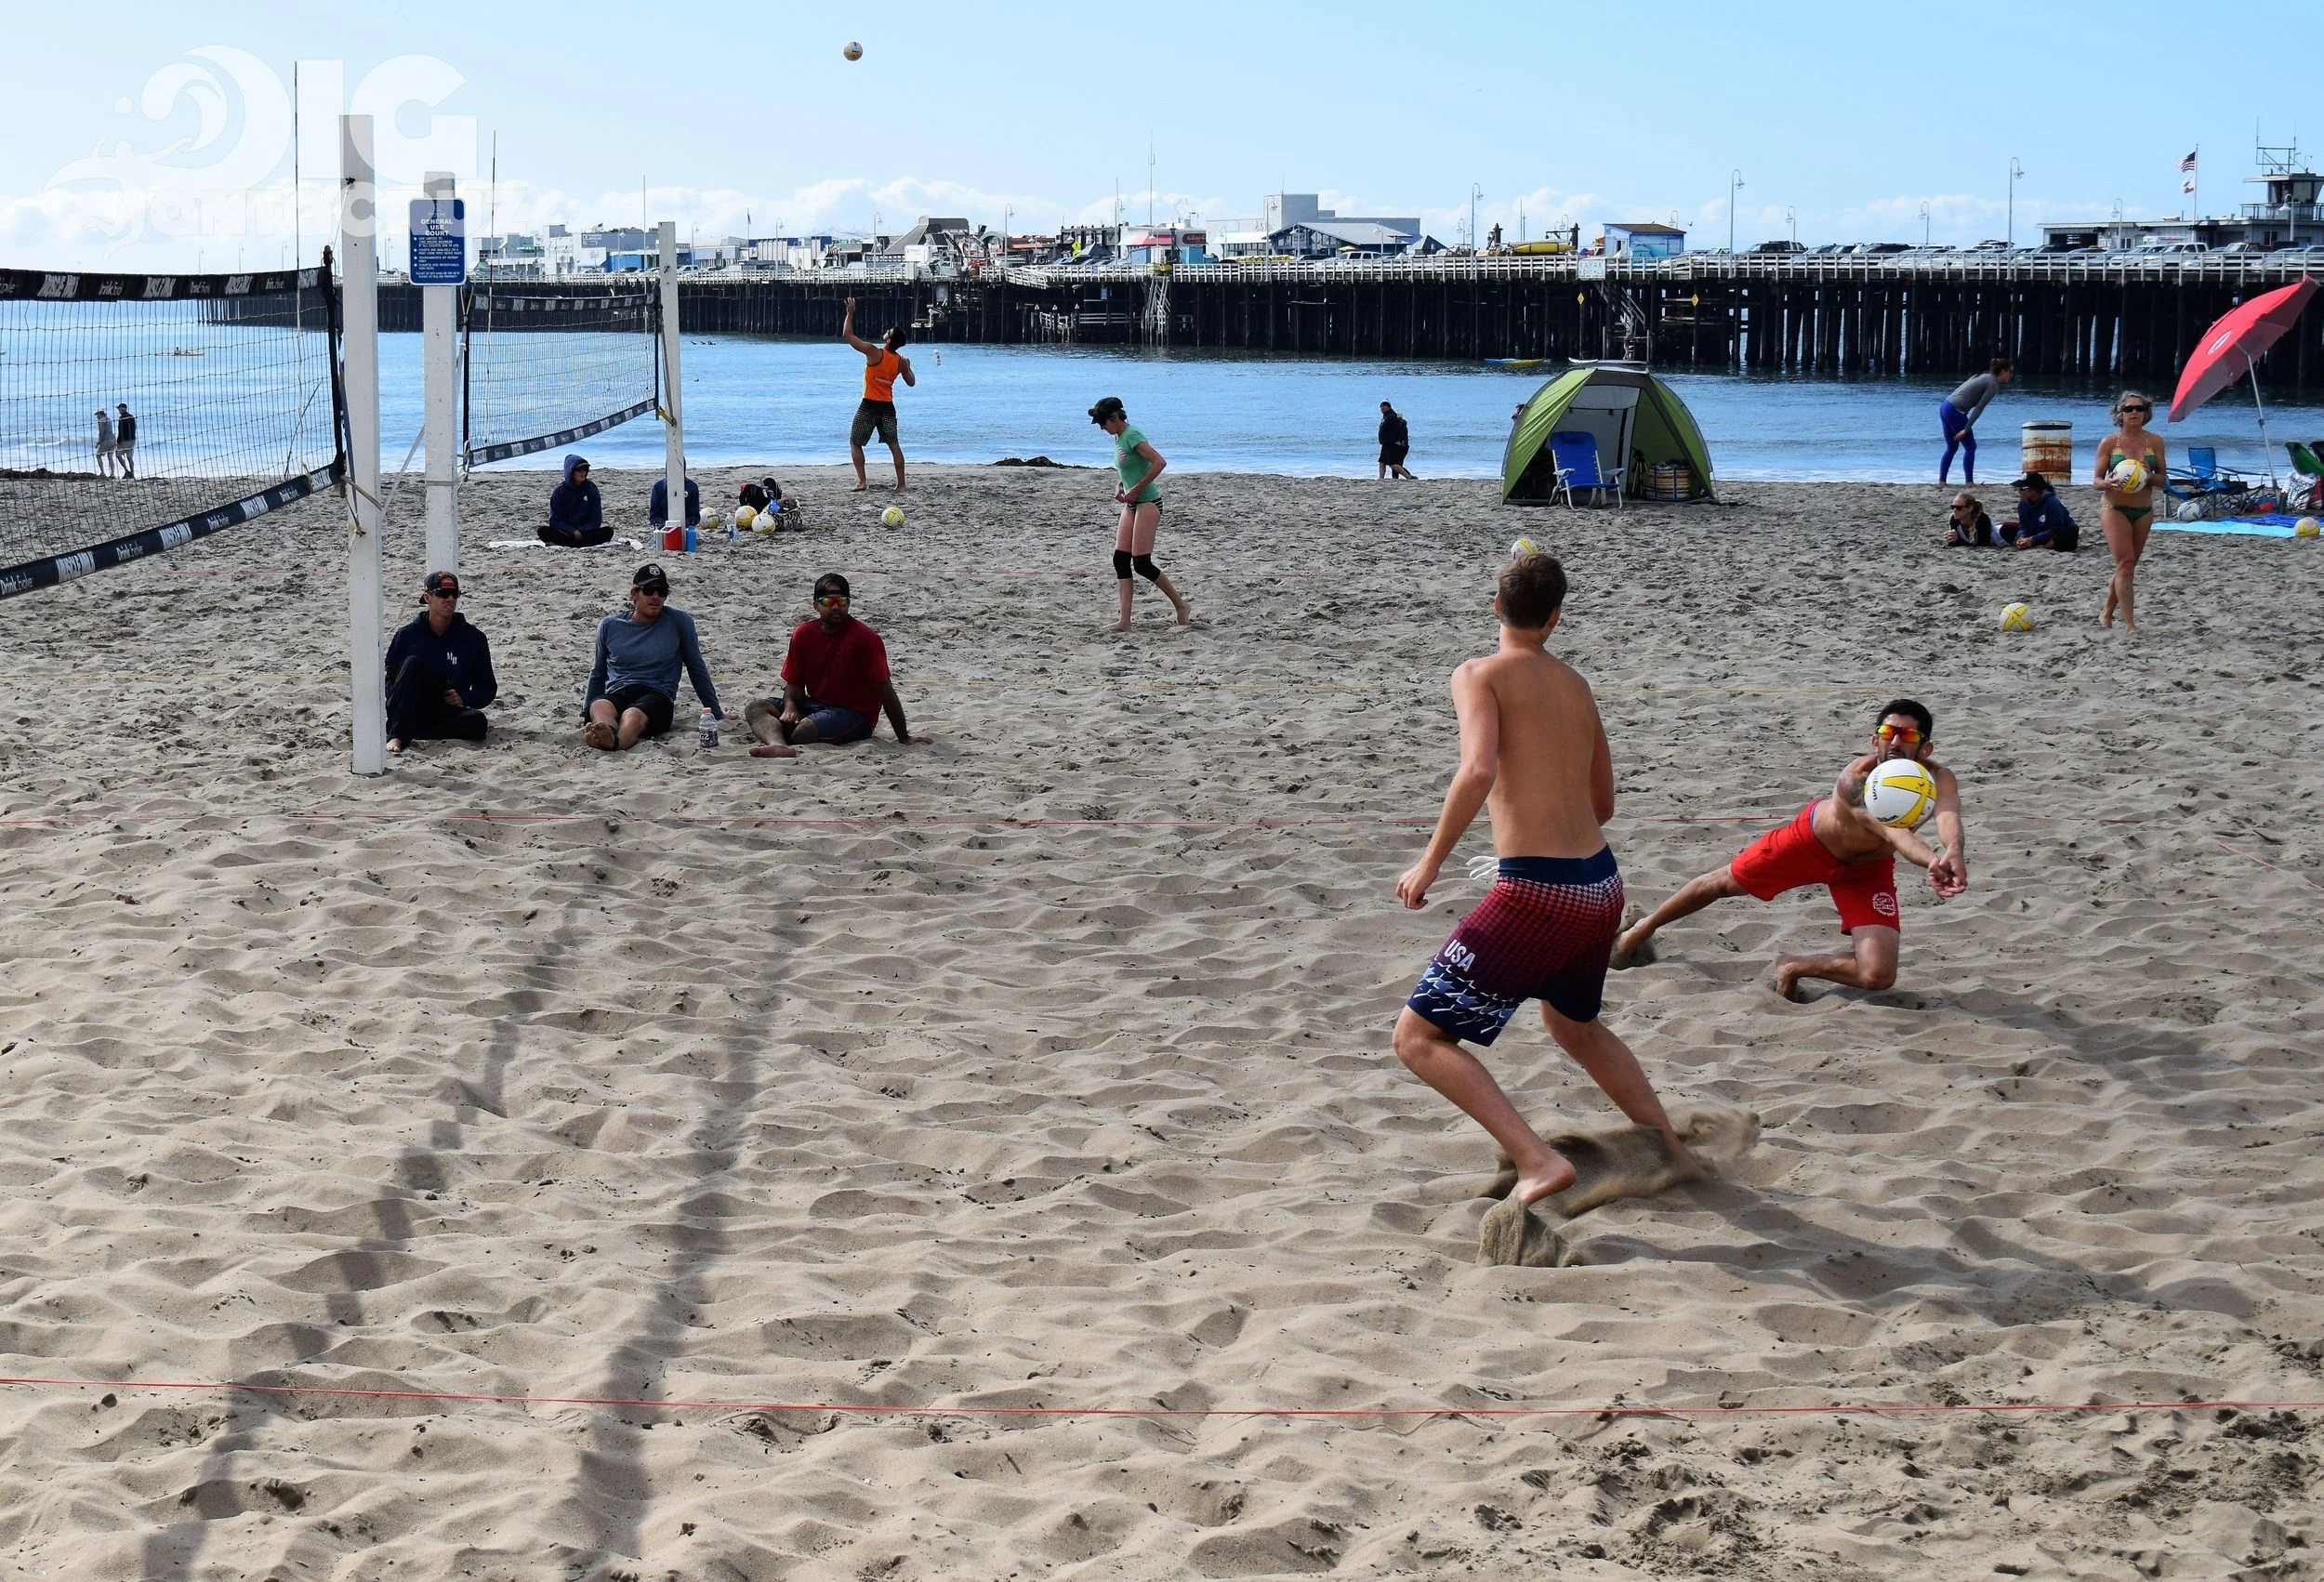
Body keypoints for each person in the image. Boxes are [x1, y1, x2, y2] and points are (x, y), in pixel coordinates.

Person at [1391, 552, 1692, 1211]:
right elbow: (1603, 804)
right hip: (1602, 885)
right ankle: (1671, 1147)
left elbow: (1477, 770)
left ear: (1496, 607)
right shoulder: (1577, 685)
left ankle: (1538, 1162)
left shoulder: (1477, 674)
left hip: (1538, 892)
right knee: (1575, 1025)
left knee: (1417, 1039)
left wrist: (1431, 861)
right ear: (1556, 617)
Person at [1612, 701, 1968, 1001]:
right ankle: (1640, 930)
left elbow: (1948, 815)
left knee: (1878, 975)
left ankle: (1793, 964)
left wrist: (1952, 849)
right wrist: (1932, 861)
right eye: (1888, 732)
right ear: (1875, 740)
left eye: (1908, 736)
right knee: (1720, 884)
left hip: (1867, 869)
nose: (1896, 741)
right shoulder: (1855, 781)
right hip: (1809, 844)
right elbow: (1895, 833)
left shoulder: (1938, 778)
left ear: (1926, 749)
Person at [745, 572, 922, 758]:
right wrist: (790, 707)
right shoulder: (803, 634)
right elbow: (794, 683)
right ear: (816, 605)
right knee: (755, 708)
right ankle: (778, 744)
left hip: (855, 715)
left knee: (804, 731)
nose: (836, 607)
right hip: (816, 705)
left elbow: (885, 690)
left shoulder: (866, 639)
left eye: (842, 601)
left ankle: (783, 734)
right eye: (829, 601)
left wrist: (904, 737)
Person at [581, 564, 722, 751]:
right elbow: (598, 672)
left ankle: (616, 743)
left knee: (632, 715)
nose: (655, 596)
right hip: (619, 691)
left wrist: (715, 712)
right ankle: (605, 731)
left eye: (661, 592)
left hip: (657, 694)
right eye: (648, 590)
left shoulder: (679, 621)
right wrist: (586, 710)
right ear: (634, 594)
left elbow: (696, 667)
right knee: (599, 705)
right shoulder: (609, 625)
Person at [1089, 395, 1191, 631]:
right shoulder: (1118, 438)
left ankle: (1181, 605)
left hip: (1148, 502)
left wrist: (1136, 489)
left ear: (1114, 417)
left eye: (1102, 423)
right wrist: (1120, 486)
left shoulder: (1132, 435)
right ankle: (1124, 621)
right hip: (1132, 503)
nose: (1101, 428)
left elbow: (1158, 462)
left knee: (1142, 564)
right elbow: (1131, 469)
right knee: (1120, 560)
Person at [384, 570, 496, 753]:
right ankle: (397, 735)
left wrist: (463, 698)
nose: (450, 599)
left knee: (478, 723)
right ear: (427, 598)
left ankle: (413, 730)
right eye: (443, 593)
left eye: (454, 594)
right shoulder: (406, 635)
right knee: (412, 664)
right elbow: (390, 679)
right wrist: (396, 703)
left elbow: (487, 687)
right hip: (411, 704)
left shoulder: (474, 638)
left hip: (445, 707)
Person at [2093, 390, 2164, 631]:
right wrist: (2107, 483)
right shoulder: (2109, 443)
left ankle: (2106, 613)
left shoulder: (2154, 442)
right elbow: (2096, 480)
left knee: (2128, 566)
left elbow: (2163, 480)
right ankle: (2130, 625)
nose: (2134, 412)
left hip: (2143, 509)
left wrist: (2149, 474)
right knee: (2125, 563)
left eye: (2139, 408)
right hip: (2114, 507)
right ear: (2120, 414)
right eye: (2128, 409)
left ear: (2146, 413)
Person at [841, 297, 914, 493]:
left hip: (869, 404)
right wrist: (908, 366)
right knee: (894, 445)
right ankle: (901, 485)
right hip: (887, 407)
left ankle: (862, 481)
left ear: (888, 340)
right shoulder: (899, 361)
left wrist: (850, 313)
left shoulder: (874, 352)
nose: (886, 331)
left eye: (889, 331)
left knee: (855, 442)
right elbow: (911, 382)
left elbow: (848, 335)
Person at [1938, 357, 2014, 484]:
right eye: (2010, 372)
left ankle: (1942, 482)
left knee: (1952, 447)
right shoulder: (1992, 385)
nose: (2011, 375)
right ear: (2003, 371)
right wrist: (1966, 429)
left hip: (1945, 406)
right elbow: (1979, 408)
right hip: (1955, 410)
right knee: (1971, 447)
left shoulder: (1984, 376)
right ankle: (1969, 483)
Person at [540, 454, 611, 547]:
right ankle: (575, 543)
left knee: (608, 531)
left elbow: (596, 520)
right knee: (542, 531)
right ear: (570, 471)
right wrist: (572, 531)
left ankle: (574, 544)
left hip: (585, 533)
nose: (582, 472)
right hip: (566, 533)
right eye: (579, 469)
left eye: (585, 469)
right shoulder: (559, 492)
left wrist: (581, 531)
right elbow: (554, 521)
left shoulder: (591, 489)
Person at [2000, 471, 2079, 550]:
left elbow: (2056, 528)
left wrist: (2033, 540)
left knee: (2072, 529)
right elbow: (2023, 525)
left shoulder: (2052, 503)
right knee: (2005, 529)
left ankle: (2046, 546)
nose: (2019, 491)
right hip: (2036, 532)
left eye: (2022, 488)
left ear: (2033, 490)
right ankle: (2023, 544)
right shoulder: (2023, 504)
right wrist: (2022, 536)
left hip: (2052, 534)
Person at [1378, 401, 1415, 481]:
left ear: (1388, 407)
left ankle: (1408, 476)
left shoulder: (1391, 417)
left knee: (1393, 464)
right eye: (1381, 407)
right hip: (1385, 443)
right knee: (1382, 462)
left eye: (1384, 406)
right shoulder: (1386, 416)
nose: (1382, 408)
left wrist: (1398, 440)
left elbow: (1398, 430)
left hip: (1391, 443)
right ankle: (1381, 478)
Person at [114, 402, 137, 479]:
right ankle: (132, 473)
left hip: (125, 440)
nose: (119, 410)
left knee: (118, 455)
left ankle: (127, 471)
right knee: (129, 457)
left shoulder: (122, 418)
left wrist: (118, 441)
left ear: (122, 409)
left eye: (119, 409)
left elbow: (121, 430)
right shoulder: (131, 416)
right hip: (132, 439)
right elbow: (134, 428)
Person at [93, 409, 115, 479]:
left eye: (97, 415)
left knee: (98, 456)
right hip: (113, 440)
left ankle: (103, 473)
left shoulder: (101, 421)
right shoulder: (109, 419)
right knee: (110, 457)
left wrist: (99, 442)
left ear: (100, 414)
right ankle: (113, 474)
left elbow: (102, 433)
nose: (97, 417)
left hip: (106, 441)